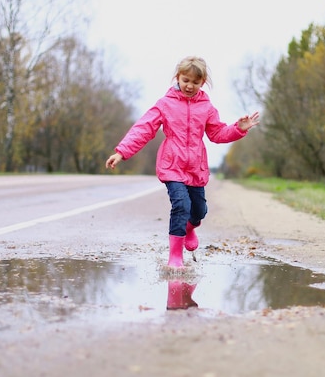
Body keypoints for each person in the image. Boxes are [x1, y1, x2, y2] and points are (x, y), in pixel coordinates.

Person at [105, 56, 260, 269]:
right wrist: (122, 152)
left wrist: (238, 128)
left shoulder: (206, 106)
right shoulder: (165, 104)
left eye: (195, 82)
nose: (190, 86)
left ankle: (190, 228)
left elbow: (217, 133)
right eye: (186, 80)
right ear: (177, 77)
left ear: (203, 83)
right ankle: (175, 257)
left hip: (196, 168)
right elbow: (144, 128)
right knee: (181, 205)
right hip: (172, 165)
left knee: (199, 211)